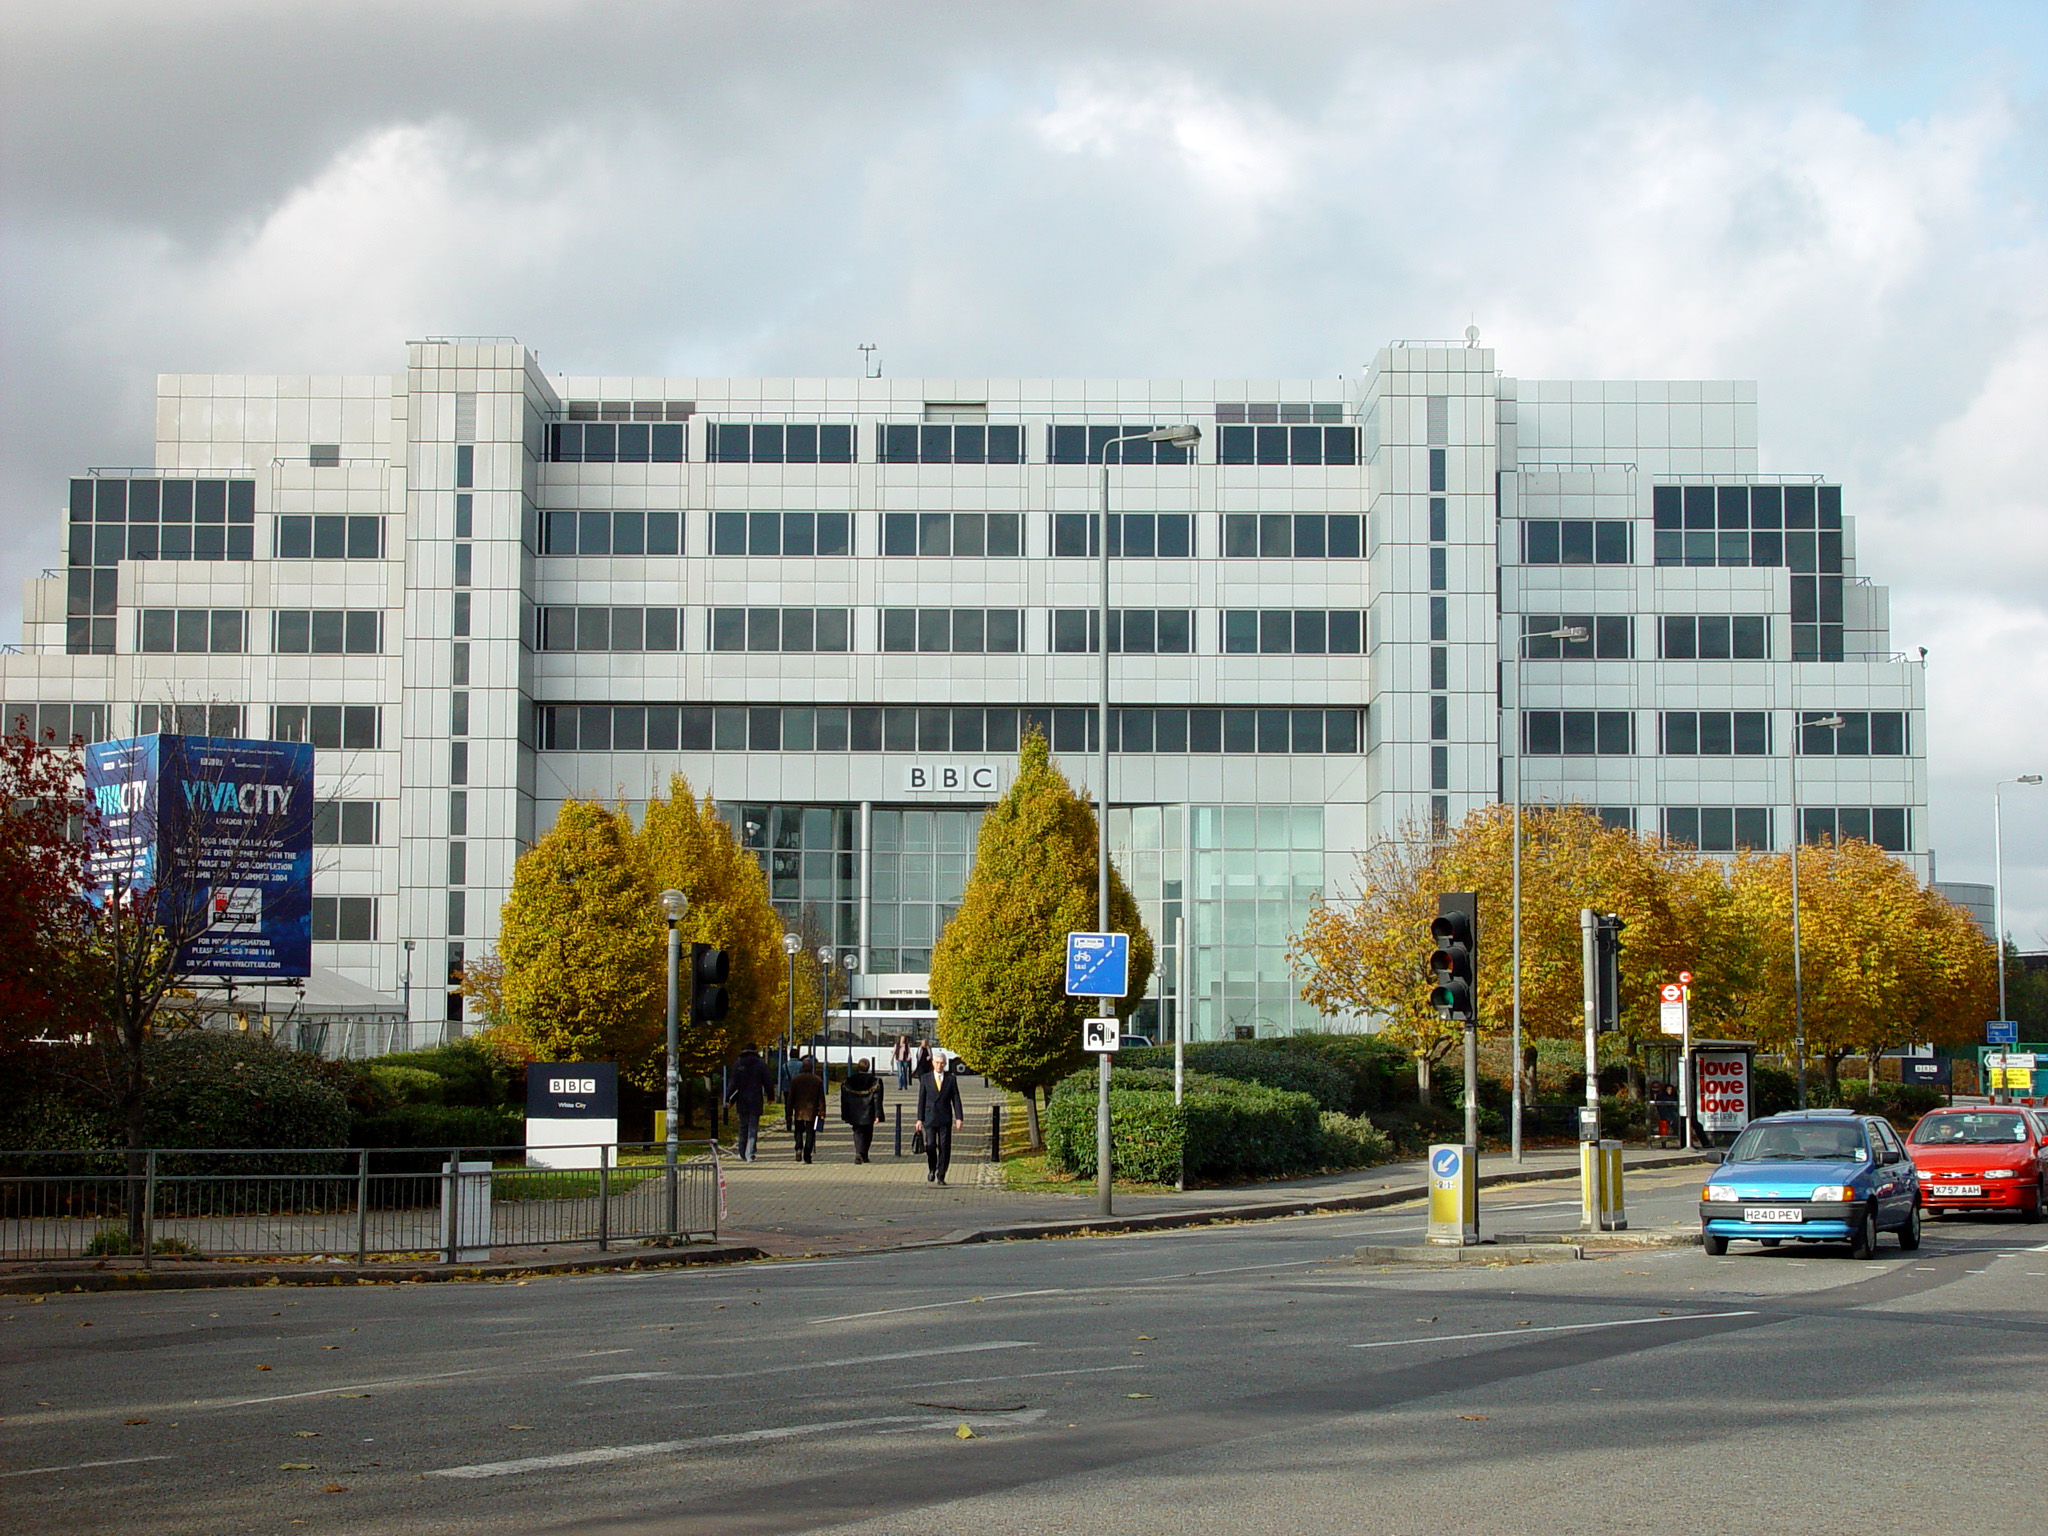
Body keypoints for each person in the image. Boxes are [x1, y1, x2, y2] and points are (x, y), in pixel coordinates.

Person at [916, 1049, 965, 1185]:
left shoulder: (951, 1079)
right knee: (930, 1145)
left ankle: (941, 1174)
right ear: (933, 1063)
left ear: (945, 1064)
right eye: (937, 1063)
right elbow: (921, 1099)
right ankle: (932, 1168)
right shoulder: (925, 1078)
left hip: (944, 1118)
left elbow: (956, 1098)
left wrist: (959, 1117)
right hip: (929, 1117)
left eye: (942, 1063)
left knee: (944, 1146)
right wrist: (919, 1118)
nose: (939, 1065)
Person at [725, 1045, 775, 1162]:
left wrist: (728, 1098)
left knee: (743, 1126)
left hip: (741, 1099)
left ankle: (741, 1152)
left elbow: (733, 1084)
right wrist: (770, 1097)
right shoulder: (761, 1065)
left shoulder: (738, 1064)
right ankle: (750, 1154)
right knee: (753, 1127)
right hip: (755, 1099)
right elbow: (768, 1082)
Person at [840, 1058, 885, 1163]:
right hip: (869, 1111)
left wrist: (845, 1114)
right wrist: (878, 1114)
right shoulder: (875, 1082)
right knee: (868, 1133)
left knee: (857, 1131)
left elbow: (844, 1099)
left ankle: (859, 1152)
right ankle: (863, 1154)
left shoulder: (849, 1081)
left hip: (854, 1111)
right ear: (868, 1067)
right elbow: (877, 1099)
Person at [784, 1058, 826, 1163]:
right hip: (812, 1111)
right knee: (810, 1132)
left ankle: (798, 1148)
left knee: (798, 1130)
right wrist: (822, 1112)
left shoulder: (796, 1080)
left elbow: (791, 1098)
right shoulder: (817, 1080)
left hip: (799, 1110)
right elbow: (821, 1098)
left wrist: (789, 1112)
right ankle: (807, 1155)